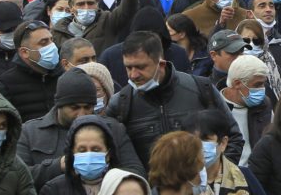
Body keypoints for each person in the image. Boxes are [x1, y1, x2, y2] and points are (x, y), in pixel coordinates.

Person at [104, 31, 244, 167]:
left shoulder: (201, 89)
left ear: (161, 64)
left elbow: (233, 137)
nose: (133, 75)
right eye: (129, 68)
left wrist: (217, 179)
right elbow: (114, 156)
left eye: (141, 67)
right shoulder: (121, 104)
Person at [17, 67, 145, 191]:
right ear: (59, 105)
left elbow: (136, 172)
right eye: (74, 108)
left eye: (88, 107)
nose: (82, 114)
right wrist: (58, 166)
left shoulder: (113, 129)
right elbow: (18, 179)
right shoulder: (29, 132)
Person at [0, 20, 65, 122]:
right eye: (43, 43)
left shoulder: (65, 78)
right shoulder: (5, 86)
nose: (52, 46)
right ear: (25, 52)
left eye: (51, 40)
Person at [218, 54, 273, 163]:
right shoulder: (214, 107)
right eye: (257, 85)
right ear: (237, 83)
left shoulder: (264, 105)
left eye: (263, 84)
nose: (262, 89)